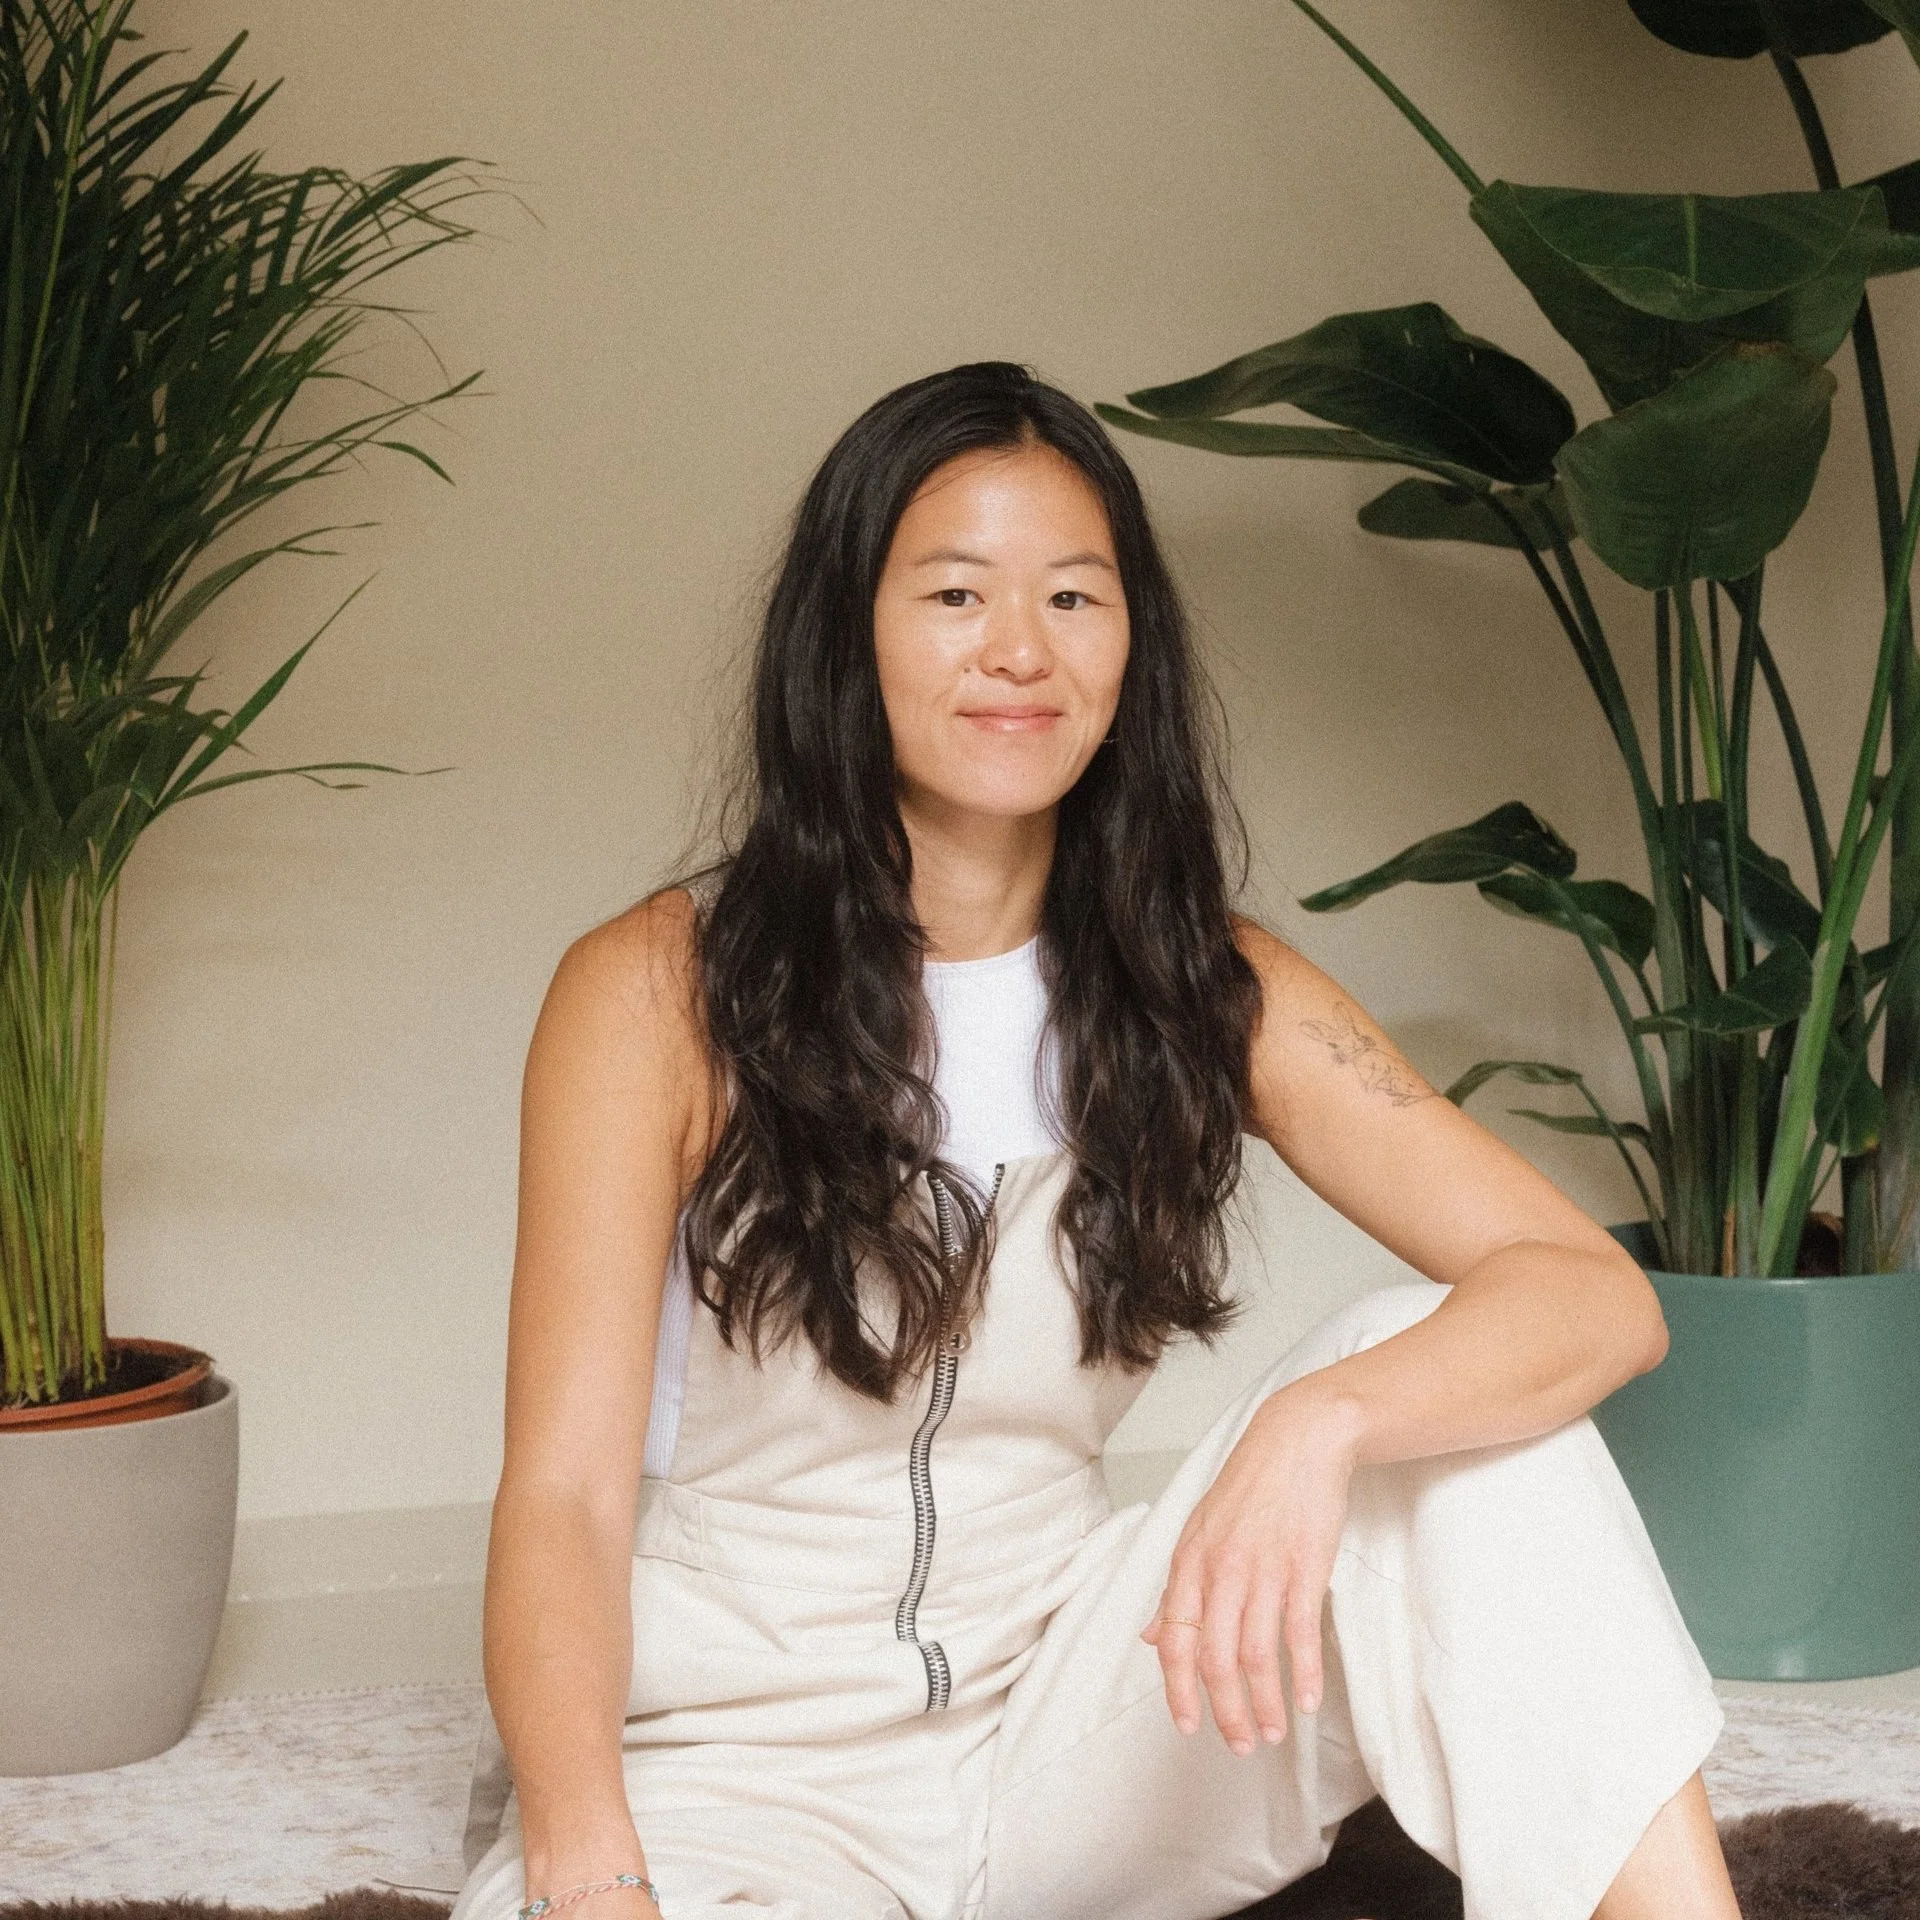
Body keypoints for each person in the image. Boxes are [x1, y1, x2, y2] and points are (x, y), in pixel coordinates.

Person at [451, 362, 1739, 1920]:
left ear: (1132, 644)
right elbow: (567, 1502)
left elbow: (1594, 1291)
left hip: (1081, 1727)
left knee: (1443, 1392)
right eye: (954, 596)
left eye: (1074, 597)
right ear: (846, 636)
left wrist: (1317, 1425)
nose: (1020, 652)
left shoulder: (1212, 981)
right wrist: (589, 1868)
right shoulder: (657, 993)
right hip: (738, 1772)